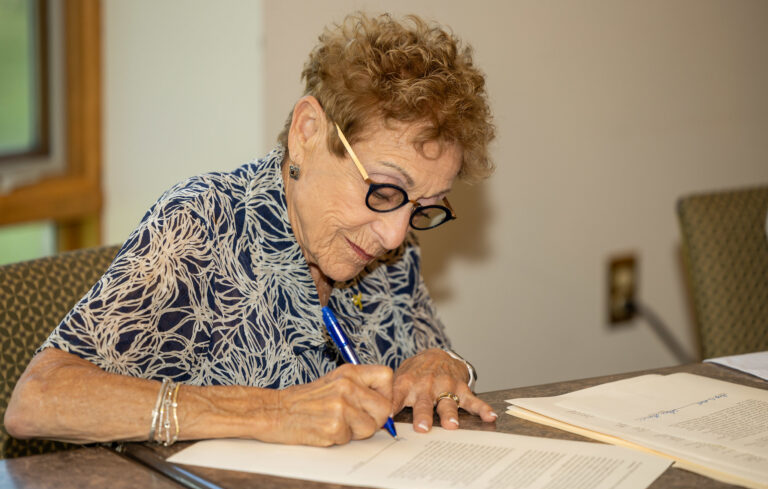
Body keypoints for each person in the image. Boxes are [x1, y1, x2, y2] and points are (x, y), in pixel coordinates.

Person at [5, 12, 497, 447]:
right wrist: (272, 411)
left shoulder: (388, 247)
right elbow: (38, 399)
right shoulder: (203, 223)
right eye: (385, 189)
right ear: (308, 134)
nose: (395, 235)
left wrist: (446, 364)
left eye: (423, 208)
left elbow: (429, 367)